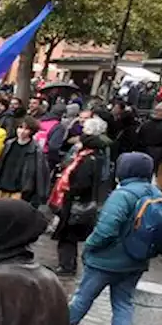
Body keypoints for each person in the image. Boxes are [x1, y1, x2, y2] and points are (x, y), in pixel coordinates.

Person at [67, 153, 162, 325]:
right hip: (136, 260)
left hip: (106, 261)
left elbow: (106, 230)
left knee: (82, 299)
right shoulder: (155, 192)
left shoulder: (123, 194)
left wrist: (89, 247)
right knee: (123, 304)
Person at [50, 116, 111, 276]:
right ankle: (67, 264)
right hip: (77, 200)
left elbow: (82, 182)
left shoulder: (88, 158)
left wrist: (70, 191)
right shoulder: (93, 155)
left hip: (76, 202)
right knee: (69, 236)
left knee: (68, 236)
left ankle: (66, 266)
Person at [0, 116, 47, 203]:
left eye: (26, 129)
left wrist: (34, 194)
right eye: (20, 127)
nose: (22, 131)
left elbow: (38, 174)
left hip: (19, 191)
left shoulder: (36, 150)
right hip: (1, 187)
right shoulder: (9, 144)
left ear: (31, 131)